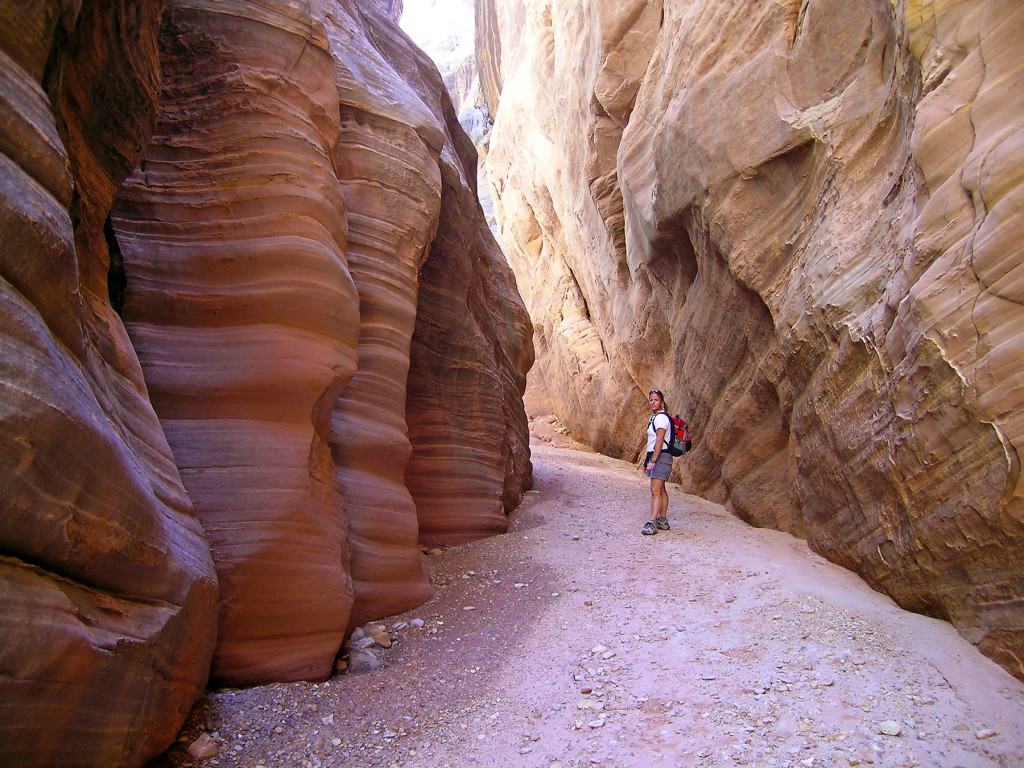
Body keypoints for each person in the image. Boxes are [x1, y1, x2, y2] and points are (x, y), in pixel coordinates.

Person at [641, 389, 673, 535]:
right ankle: (663, 520)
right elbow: (653, 440)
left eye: (656, 400)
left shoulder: (661, 418)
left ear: (662, 402)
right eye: (651, 400)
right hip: (659, 456)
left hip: (661, 457)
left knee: (654, 490)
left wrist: (653, 460)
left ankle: (653, 522)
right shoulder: (654, 417)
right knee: (660, 489)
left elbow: (659, 440)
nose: (652, 403)